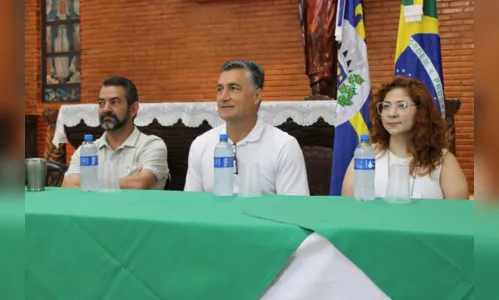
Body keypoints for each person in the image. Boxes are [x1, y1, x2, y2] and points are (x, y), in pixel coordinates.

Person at [184, 60, 309, 195]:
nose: (223, 97)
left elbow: (293, 210)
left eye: (233, 88)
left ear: (256, 96)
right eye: (220, 89)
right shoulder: (201, 144)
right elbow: (192, 207)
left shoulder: (284, 146)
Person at [341, 76, 469, 199]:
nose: (392, 114)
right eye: (386, 106)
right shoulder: (365, 156)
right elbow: (348, 209)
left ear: (421, 111)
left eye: (401, 106)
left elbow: (458, 216)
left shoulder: (443, 161)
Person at [62, 76, 169, 190]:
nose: (106, 109)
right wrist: (126, 182)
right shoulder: (87, 149)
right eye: (101, 103)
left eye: (114, 102)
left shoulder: (151, 145)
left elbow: (140, 184)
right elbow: (67, 184)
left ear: (133, 109)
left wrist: (88, 182)